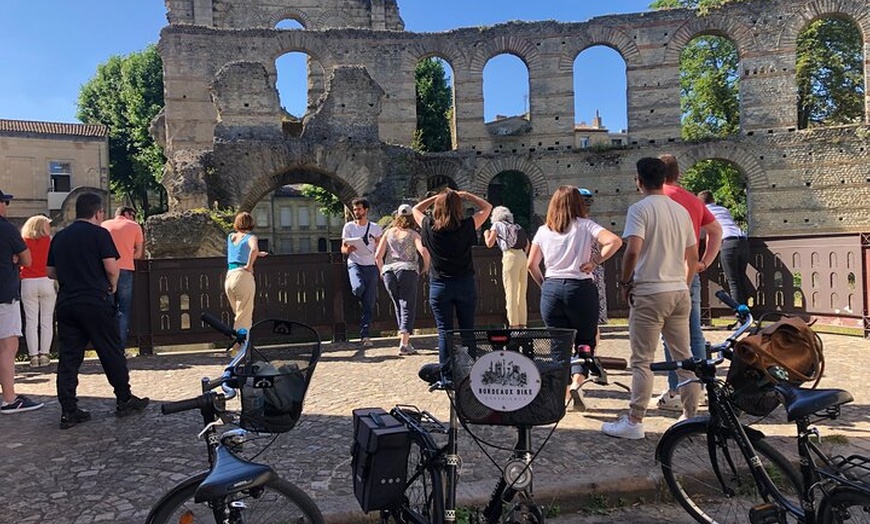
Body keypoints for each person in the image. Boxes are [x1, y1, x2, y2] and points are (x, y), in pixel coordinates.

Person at [601, 158, 699, 440]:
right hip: (679, 290)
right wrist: (686, 282)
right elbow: (692, 255)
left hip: (649, 291)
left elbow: (633, 250)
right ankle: (690, 416)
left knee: (642, 360)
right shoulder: (680, 211)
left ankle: (634, 420)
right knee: (684, 357)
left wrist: (624, 281)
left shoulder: (639, 209)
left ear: (638, 180)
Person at [47, 192, 149, 429]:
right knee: (110, 350)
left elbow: (50, 271)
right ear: (97, 212)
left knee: (69, 358)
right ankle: (124, 398)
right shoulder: (99, 234)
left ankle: (68, 409)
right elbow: (112, 268)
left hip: (67, 302)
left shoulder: (60, 237)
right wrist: (112, 286)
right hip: (94, 300)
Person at [526, 186, 622, 410]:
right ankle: (578, 383)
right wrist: (595, 261)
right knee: (585, 341)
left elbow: (531, 264)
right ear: (579, 204)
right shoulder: (586, 226)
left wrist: (545, 285)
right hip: (580, 288)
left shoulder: (543, 230)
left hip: (551, 288)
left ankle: (561, 393)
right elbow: (614, 241)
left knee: (558, 346)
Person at [654, 154, 723, 412]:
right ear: (678, 174)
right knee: (694, 333)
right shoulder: (694, 200)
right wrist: (704, 262)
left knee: (669, 336)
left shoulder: (658, 199)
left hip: (663, 275)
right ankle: (699, 388)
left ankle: (676, 391)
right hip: (690, 271)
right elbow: (716, 232)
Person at [412, 189, 492, 376]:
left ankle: (447, 373)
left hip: (440, 285)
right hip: (464, 283)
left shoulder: (429, 226)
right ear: (459, 208)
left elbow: (415, 208)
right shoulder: (467, 225)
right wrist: (465, 195)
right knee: (467, 330)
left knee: (444, 332)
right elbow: (487, 208)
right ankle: (470, 372)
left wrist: (436, 198)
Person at [0, 190, 43, 414]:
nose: (6, 206)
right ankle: (9, 398)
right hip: (4, 295)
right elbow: (26, 258)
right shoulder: (6, 229)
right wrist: (14, 258)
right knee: (8, 346)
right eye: (4, 202)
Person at [374, 204, 430, 356]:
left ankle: (404, 340)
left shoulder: (388, 233)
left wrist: (381, 271)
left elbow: (378, 256)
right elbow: (424, 251)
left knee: (398, 304)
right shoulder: (413, 234)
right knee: (407, 305)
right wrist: (425, 267)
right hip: (407, 270)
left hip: (389, 271)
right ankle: (404, 344)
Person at [101, 206, 144, 357]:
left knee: (107, 309)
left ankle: (106, 348)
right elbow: (138, 254)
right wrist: (127, 253)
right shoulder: (134, 226)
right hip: (125, 269)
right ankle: (120, 349)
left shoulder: (104, 225)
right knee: (123, 310)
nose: (134, 218)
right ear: (127, 214)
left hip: (105, 270)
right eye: (133, 215)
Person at [341, 198, 382, 347]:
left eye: (359, 209)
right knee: (358, 288)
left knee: (369, 304)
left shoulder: (376, 228)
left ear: (366, 210)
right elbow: (343, 249)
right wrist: (348, 249)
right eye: (355, 209)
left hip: (370, 265)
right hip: (355, 263)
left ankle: (365, 335)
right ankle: (359, 298)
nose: (356, 212)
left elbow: (380, 246)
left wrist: (378, 244)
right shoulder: (349, 227)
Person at [699, 190, 750, 306]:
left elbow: (703, 234)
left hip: (727, 243)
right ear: (713, 200)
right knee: (741, 278)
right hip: (742, 241)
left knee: (733, 282)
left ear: (700, 202)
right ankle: (747, 313)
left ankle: (741, 317)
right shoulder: (724, 210)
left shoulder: (703, 211)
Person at [20, 214, 57, 368]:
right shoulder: (50, 241)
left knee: (31, 321)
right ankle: (45, 354)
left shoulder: (23, 242)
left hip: (28, 281)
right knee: (47, 321)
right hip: (46, 280)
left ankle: (33, 356)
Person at [483, 206, 529, 328]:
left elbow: (489, 243)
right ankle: (523, 323)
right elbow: (527, 243)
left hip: (510, 256)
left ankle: (513, 324)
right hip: (522, 255)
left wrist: (486, 233)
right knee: (521, 292)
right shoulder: (516, 226)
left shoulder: (497, 225)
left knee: (511, 292)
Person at [224, 212, 266, 332]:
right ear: (251, 223)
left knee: (238, 314)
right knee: (244, 316)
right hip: (242, 276)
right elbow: (253, 249)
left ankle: (237, 345)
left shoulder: (231, 237)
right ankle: (240, 348)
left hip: (230, 276)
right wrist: (249, 265)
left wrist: (257, 254)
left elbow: (238, 251)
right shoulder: (251, 237)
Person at [579, 188, 608, 325]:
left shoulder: (584, 225)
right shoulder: (594, 224)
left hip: (583, 268)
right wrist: (597, 260)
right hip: (593, 267)